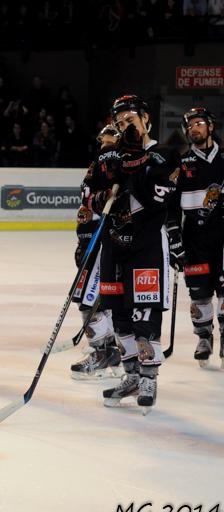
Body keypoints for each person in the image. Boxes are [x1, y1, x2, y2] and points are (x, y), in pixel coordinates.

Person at [95, 95, 180, 413]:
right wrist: (106, 191)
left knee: (144, 315)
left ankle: (148, 377)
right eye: (119, 123)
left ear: (146, 119)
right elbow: (93, 194)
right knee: (119, 318)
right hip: (115, 247)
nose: (124, 126)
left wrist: (133, 167)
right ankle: (130, 375)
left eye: (130, 119)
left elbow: (158, 200)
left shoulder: (166, 155)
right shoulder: (111, 155)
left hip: (146, 248)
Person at [167, 107, 224, 369]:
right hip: (194, 239)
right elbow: (170, 209)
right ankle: (204, 337)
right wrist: (175, 241)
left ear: (210, 127)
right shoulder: (182, 164)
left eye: (199, 123)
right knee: (199, 293)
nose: (194, 129)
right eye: (190, 126)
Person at [69, 125, 123, 380]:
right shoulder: (96, 168)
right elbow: (86, 204)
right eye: (104, 138)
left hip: (111, 245)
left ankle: (103, 353)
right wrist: (83, 241)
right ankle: (111, 352)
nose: (107, 142)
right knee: (92, 301)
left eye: (112, 138)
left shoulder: (121, 166)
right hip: (95, 243)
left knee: (91, 302)